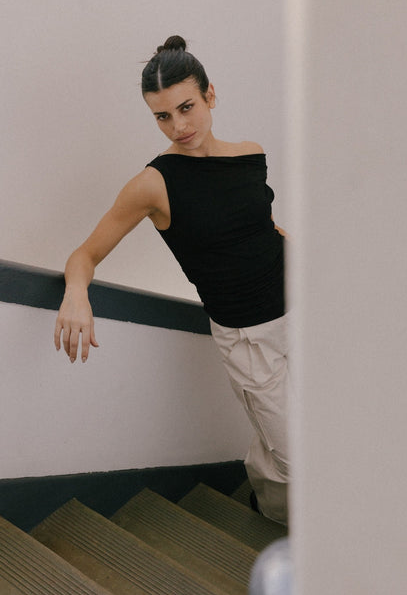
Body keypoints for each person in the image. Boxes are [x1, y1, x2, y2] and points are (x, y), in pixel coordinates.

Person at [54, 36, 290, 525]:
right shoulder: (153, 184)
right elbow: (85, 254)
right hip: (248, 337)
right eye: (162, 116)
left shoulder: (250, 154)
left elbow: (264, 228)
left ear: (210, 95)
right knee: (294, 455)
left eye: (186, 108)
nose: (178, 126)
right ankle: (274, 513)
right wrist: (76, 293)